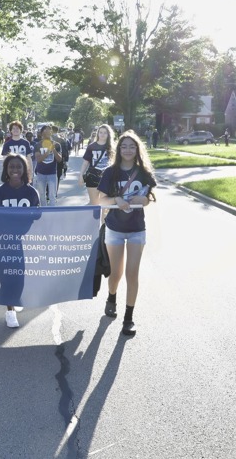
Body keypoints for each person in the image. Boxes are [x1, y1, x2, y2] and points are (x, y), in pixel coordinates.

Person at [97, 130, 157, 337]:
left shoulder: (143, 173)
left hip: (136, 229)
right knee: (116, 273)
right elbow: (101, 200)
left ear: (137, 149)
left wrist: (144, 200)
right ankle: (111, 296)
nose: (128, 150)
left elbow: (148, 198)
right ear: (118, 149)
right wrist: (116, 200)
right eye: (124, 146)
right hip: (114, 228)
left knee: (132, 274)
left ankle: (128, 318)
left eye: (132, 146)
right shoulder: (110, 173)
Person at [0, 153, 40, 328]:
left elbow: (38, 215)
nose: (15, 170)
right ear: (6, 169)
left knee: (18, 281)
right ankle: (10, 311)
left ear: (25, 170)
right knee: (7, 279)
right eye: (11, 166)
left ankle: (14, 298)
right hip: (2, 244)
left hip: (22, 244)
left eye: (19, 166)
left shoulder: (31, 192)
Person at [79, 124, 115, 206]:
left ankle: (103, 215)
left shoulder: (112, 147)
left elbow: (115, 162)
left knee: (105, 204)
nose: (102, 134)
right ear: (97, 133)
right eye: (100, 132)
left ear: (109, 134)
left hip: (107, 177)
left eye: (105, 133)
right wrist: (81, 175)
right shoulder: (91, 146)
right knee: (94, 203)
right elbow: (85, 162)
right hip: (92, 176)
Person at [34, 125, 62, 206]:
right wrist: (47, 152)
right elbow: (38, 159)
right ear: (42, 133)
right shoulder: (38, 145)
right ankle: (44, 211)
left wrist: (53, 149)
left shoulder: (57, 144)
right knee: (42, 195)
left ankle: (52, 212)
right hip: (41, 173)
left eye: (49, 130)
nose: (48, 132)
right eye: (45, 130)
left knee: (52, 195)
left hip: (52, 173)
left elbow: (59, 159)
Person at [52, 125, 70, 192]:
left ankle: (49, 192)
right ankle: (55, 192)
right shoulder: (62, 140)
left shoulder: (48, 139)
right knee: (58, 176)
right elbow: (65, 151)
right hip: (59, 161)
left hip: (50, 160)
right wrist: (66, 160)